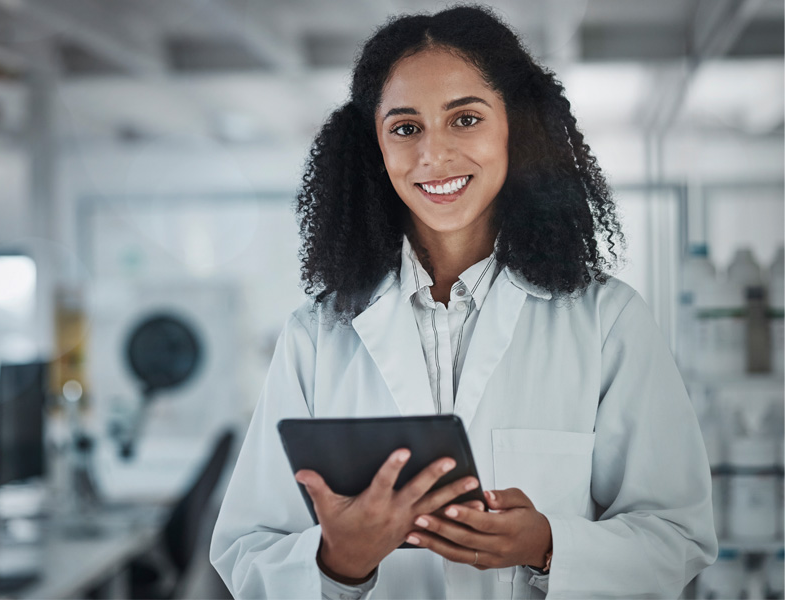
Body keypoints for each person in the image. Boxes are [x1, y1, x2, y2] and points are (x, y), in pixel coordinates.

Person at [211, 5, 717, 599]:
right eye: (405, 127)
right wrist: (335, 563)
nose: (434, 154)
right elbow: (246, 550)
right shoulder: (317, 335)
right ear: (375, 145)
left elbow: (677, 536)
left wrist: (549, 547)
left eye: (465, 119)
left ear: (515, 128)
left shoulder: (609, 321)